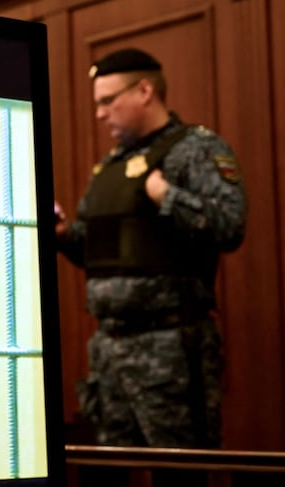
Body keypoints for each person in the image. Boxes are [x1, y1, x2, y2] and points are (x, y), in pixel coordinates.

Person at [54, 48, 246, 450]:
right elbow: (96, 252)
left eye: (108, 101)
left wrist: (166, 196)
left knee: (181, 472)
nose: (100, 114)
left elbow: (230, 225)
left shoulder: (195, 149)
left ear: (144, 91)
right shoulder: (109, 167)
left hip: (170, 348)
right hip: (108, 350)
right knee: (116, 472)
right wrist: (62, 233)